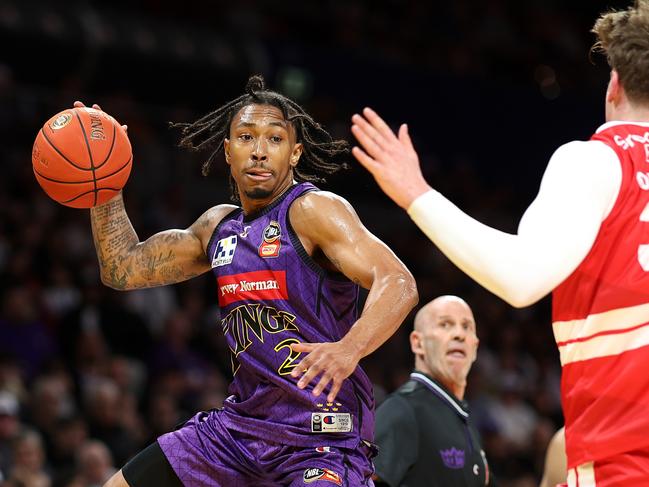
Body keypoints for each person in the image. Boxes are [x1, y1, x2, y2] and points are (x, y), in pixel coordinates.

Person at [351, 0, 649, 484]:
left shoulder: (596, 160)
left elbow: (520, 279)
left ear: (613, 84)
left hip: (626, 460)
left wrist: (418, 196)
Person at [79, 75, 418, 486]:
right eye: (245, 137)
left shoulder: (313, 211)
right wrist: (102, 181)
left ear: (294, 154)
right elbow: (122, 269)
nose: (259, 151)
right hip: (238, 432)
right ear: (227, 151)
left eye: (274, 140)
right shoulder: (217, 227)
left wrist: (349, 349)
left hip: (319, 434)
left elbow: (398, 281)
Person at [373, 296, 494, 487]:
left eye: (466, 326)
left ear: (475, 346)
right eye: (445, 324)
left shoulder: (463, 418)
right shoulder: (401, 410)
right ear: (417, 343)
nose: (459, 334)